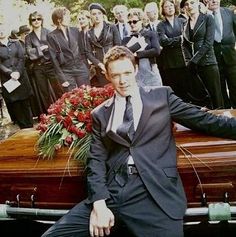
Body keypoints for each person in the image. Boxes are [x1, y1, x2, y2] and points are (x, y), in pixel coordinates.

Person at [41, 46, 236, 237]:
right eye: (116, 75)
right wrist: (99, 203)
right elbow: (96, 161)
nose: (123, 80)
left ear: (135, 70)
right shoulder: (100, 113)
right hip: (113, 191)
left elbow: (204, 121)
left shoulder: (162, 96)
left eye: (127, 72)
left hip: (154, 193)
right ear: (107, 76)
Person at [181, 0, 224, 109]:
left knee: (216, 97)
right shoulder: (185, 24)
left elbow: (208, 43)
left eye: (192, 2)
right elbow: (184, 44)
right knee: (202, 99)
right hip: (194, 67)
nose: (189, 6)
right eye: (186, 4)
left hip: (208, 63)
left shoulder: (208, 18)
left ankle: (222, 122)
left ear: (198, 4)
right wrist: (188, 61)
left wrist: (194, 60)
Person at [25, 11, 64, 115]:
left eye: (38, 19)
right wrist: (41, 48)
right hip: (38, 68)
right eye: (33, 19)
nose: (36, 21)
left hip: (51, 65)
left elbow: (56, 48)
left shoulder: (49, 32)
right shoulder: (28, 37)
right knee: (44, 93)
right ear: (31, 22)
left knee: (58, 90)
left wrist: (39, 50)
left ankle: (63, 111)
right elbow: (29, 52)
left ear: (42, 20)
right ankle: (51, 115)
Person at [47, 7, 90, 92]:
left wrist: (86, 68)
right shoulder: (51, 36)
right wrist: (61, 78)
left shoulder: (75, 31)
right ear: (59, 19)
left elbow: (82, 51)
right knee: (72, 98)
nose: (69, 18)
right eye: (66, 16)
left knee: (87, 94)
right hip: (66, 71)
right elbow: (53, 59)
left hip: (80, 67)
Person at [0, 23, 33, 129]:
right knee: (16, 105)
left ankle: (31, 127)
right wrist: (10, 73)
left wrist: (18, 72)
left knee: (25, 104)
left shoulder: (16, 43)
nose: (1, 31)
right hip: (8, 79)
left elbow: (21, 58)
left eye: (2, 28)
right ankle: (23, 129)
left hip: (21, 77)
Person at [207, 0, 236, 108]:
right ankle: (226, 117)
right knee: (221, 91)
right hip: (214, 60)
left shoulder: (229, 13)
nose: (214, 1)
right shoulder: (204, 16)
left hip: (232, 58)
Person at [122, 8, 162, 87]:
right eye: (129, 22)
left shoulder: (150, 34)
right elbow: (124, 54)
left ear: (141, 21)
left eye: (134, 21)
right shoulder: (126, 39)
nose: (132, 24)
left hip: (150, 69)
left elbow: (156, 50)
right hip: (135, 71)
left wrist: (137, 54)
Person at [86, 3, 121, 87]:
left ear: (102, 14)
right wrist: (100, 65)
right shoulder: (88, 33)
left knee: (118, 87)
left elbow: (118, 45)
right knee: (105, 91)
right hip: (99, 68)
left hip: (114, 63)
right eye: (94, 14)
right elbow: (88, 53)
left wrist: (111, 62)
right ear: (90, 16)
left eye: (99, 13)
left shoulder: (111, 27)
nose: (97, 16)